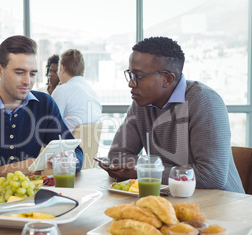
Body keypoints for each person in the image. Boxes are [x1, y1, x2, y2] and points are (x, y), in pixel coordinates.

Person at [100, 36, 244, 193]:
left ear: (167, 79)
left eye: (138, 76)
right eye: (130, 74)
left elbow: (211, 176)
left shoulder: (204, 101)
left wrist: (144, 171)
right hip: (172, 200)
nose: (130, 83)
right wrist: (145, 168)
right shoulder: (141, 104)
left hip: (223, 207)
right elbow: (117, 155)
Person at [0, 35, 83, 189]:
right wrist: (9, 170)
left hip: (30, 200)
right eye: (19, 72)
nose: (27, 81)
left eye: (32, 74)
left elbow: (77, 153)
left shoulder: (44, 104)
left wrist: (64, 159)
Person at [51, 49, 102, 132]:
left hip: (67, 144)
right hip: (90, 144)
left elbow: (49, 125)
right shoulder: (92, 92)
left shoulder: (63, 90)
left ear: (62, 68)